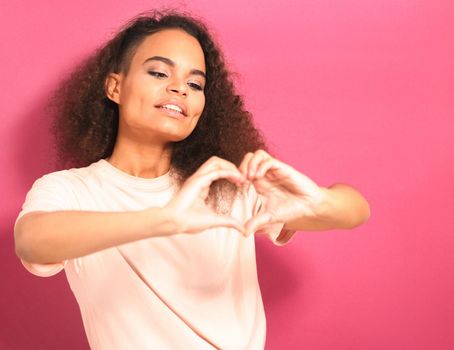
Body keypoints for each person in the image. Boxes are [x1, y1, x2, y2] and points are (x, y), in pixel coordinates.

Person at [14, 9, 370, 350]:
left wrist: (320, 203)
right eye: (158, 73)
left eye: (195, 83)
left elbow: (355, 209)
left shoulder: (227, 183)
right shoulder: (72, 190)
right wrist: (163, 220)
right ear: (114, 87)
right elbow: (32, 241)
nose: (180, 89)